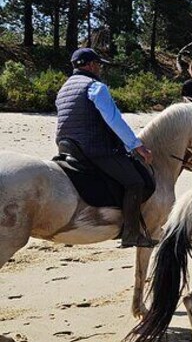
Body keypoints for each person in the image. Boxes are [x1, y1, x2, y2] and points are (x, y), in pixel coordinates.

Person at [55, 48, 157, 248]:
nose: (100, 68)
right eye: (99, 64)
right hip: (93, 149)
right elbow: (114, 120)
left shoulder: (64, 89)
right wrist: (138, 147)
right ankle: (130, 234)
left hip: (66, 147)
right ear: (91, 65)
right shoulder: (95, 87)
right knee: (135, 182)